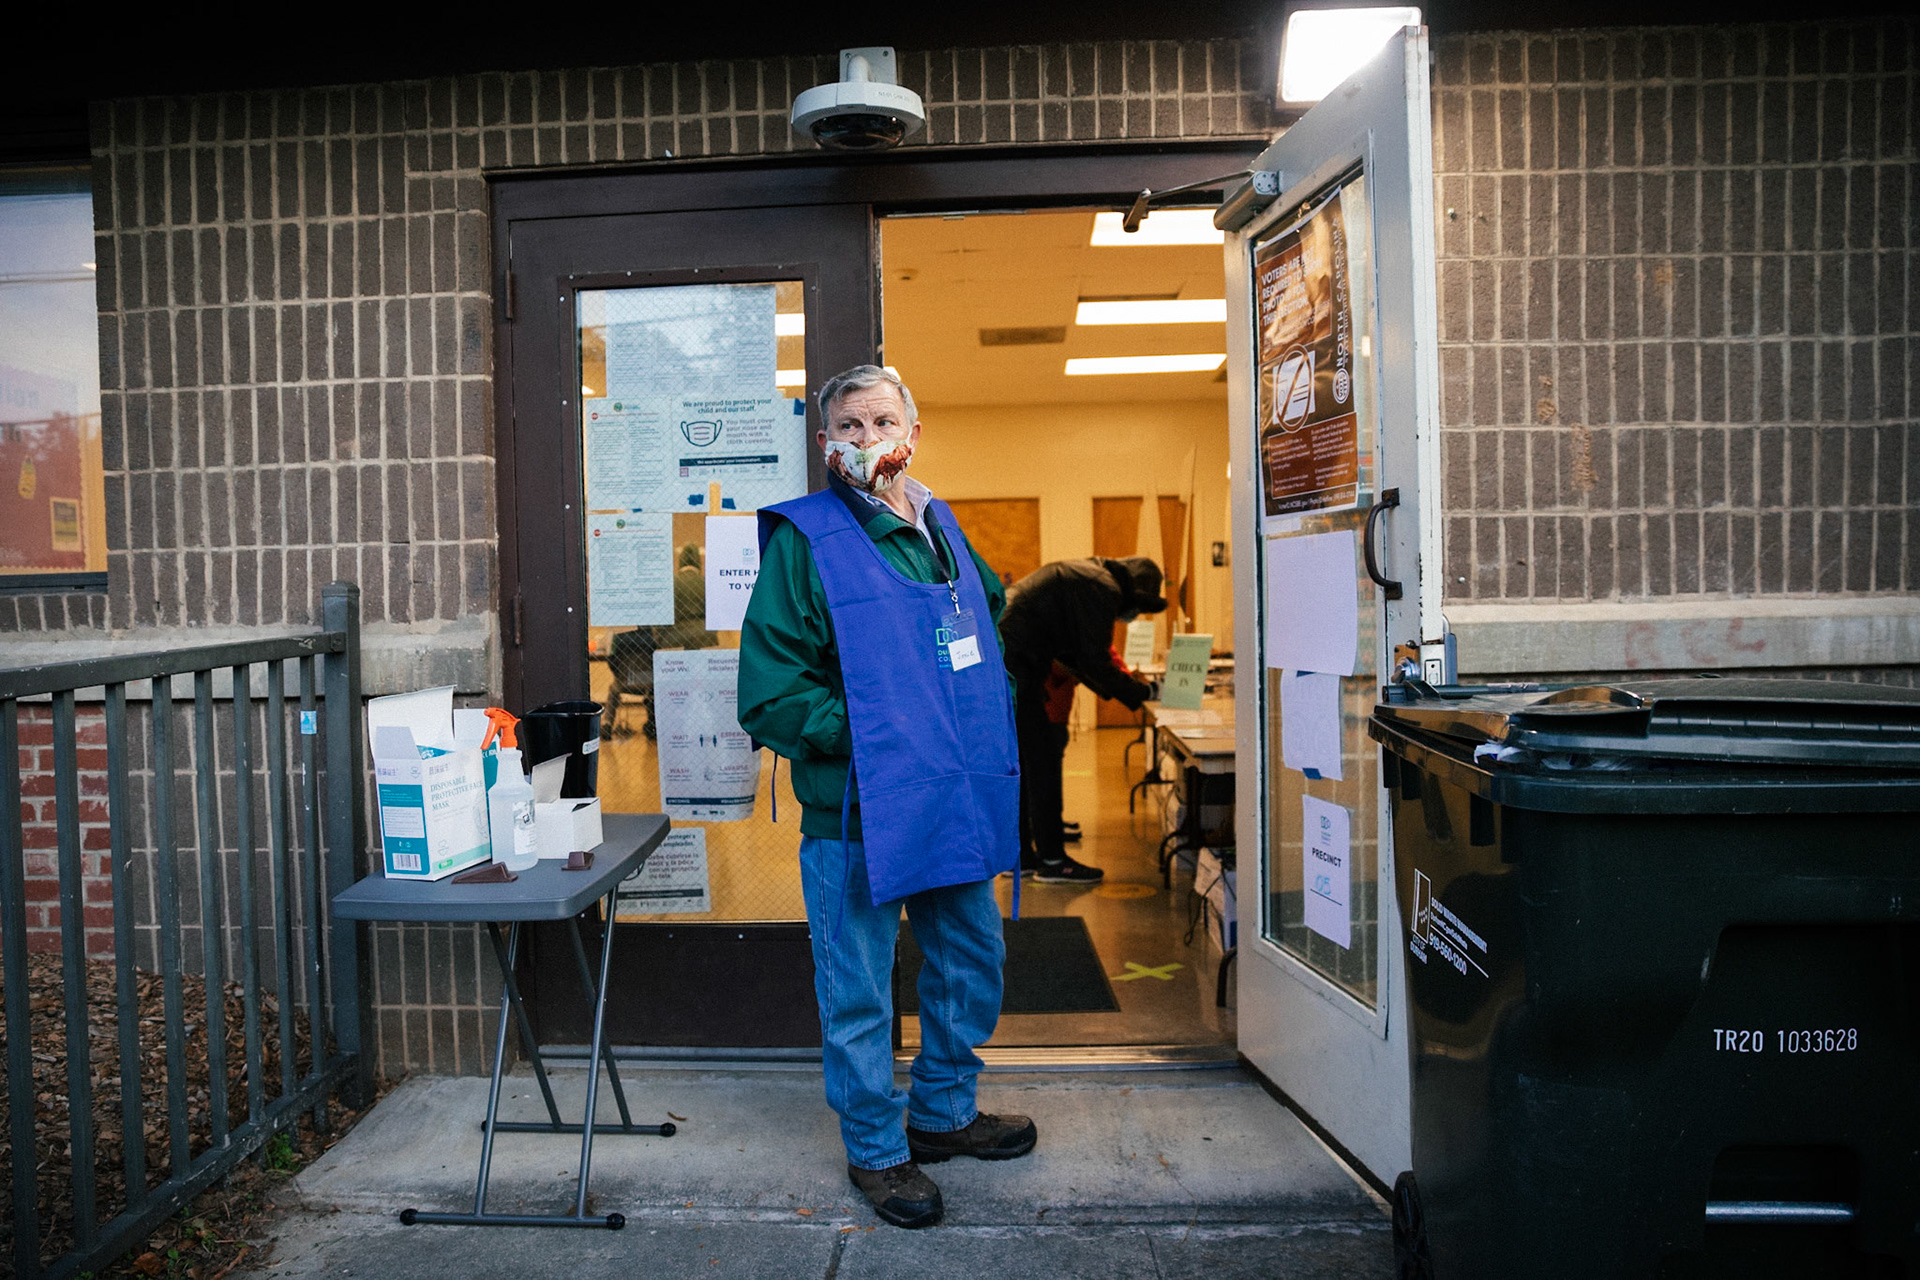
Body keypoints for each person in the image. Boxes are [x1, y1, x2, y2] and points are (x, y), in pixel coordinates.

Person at [736, 364, 1036, 1231]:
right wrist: (877, 731)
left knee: (970, 959)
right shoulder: (808, 541)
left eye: (880, 421)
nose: (867, 440)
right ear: (826, 444)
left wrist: (987, 727)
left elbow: (984, 627)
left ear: (914, 427)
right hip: (857, 812)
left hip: (953, 801)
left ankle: (943, 1114)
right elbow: (771, 691)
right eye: (849, 428)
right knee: (861, 988)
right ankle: (876, 1147)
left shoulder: (943, 528)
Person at [997, 556, 1168, 882]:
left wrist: (1124, 691)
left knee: (1024, 763)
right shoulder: (1101, 587)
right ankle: (1052, 861)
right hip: (1018, 664)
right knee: (1041, 761)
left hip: (1008, 660)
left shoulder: (1086, 575)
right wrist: (1140, 694)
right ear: (1134, 592)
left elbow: (1074, 657)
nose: (1130, 617)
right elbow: (1093, 658)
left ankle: (1022, 858)